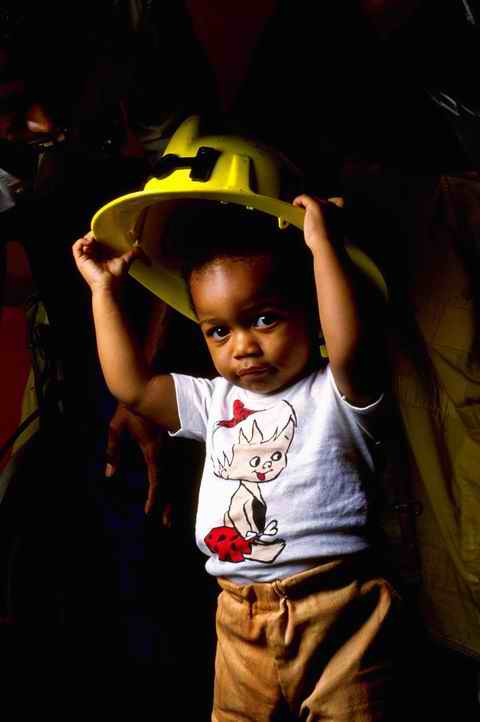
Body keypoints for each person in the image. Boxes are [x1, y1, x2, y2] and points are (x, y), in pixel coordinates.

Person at [73, 192, 400, 721]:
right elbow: (132, 387)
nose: (242, 346)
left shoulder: (339, 389)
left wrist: (322, 246)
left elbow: (347, 345)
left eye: (265, 319)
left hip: (340, 608)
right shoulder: (215, 400)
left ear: (312, 314)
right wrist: (103, 291)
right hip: (238, 615)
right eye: (219, 331)